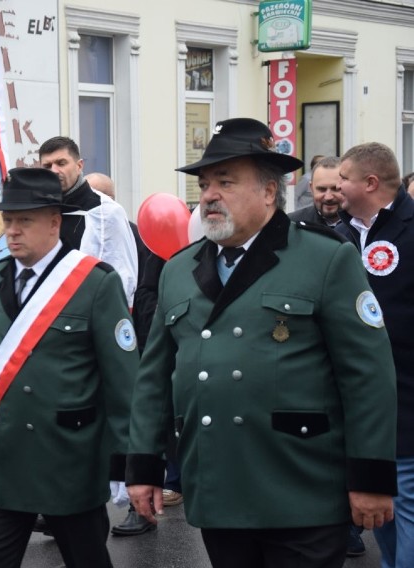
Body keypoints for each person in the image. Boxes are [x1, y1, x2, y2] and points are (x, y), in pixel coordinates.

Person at [127, 118, 398, 568]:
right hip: (219, 486)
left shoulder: (326, 258)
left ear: (269, 192)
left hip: (301, 486)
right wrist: (142, 467)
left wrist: (370, 477)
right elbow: (152, 378)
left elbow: (368, 376)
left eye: (226, 182)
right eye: (206, 183)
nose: (209, 194)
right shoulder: (179, 269)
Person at [0, 167, 138, 568]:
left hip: (69, 463)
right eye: (8, 219)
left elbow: (124, 384)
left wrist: (125, 461)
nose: (11, 230)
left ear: (54, 222)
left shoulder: (95, 283)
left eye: (24, 220)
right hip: (3, 463)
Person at [335, 142, 414, 568]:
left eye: (343, 178)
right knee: (381, 518)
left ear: (370, 182)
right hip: (358, 409)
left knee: (408, 511)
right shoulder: (340, 234)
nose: (333, 187)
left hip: (406, 403)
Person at [83, 171, 168, 537]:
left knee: (131, 424)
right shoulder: (74, 230)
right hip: (89, 348)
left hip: (129, 343)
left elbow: (144, 290)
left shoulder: (132, 232)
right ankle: (75, 507)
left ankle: (140, 508)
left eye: (100, 196)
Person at [38, 137, 138, 307]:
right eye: (47, 166)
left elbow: (122, 276)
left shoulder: (106, 212)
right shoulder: (37, 209)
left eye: (61, 163)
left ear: (79, 166)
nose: (54, 171)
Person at [289, 156, 343, 227]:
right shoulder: (292, 224)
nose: (328, 197)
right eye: (322, 189)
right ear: (311, 188)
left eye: (335, 189)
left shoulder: (361, 224)